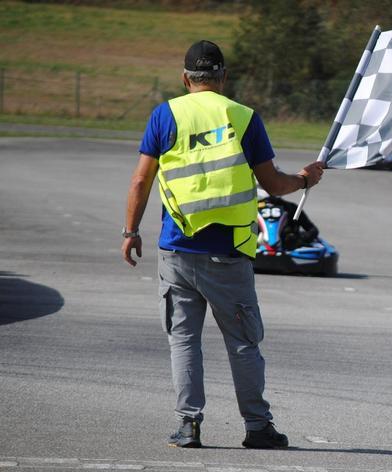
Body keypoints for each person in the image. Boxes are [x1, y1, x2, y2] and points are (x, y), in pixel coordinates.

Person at [121, 40, 324, 449]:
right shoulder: (243, 117)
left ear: (185, 79)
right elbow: (272, 183)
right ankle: (257, 427)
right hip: (228, 255)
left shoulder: (165, 114)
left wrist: (130, 231)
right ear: (223, 78)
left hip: (175, 250)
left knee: (183, 340)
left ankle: (188, 425)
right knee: (243, 343)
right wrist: (304, 180)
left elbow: (141, 179)